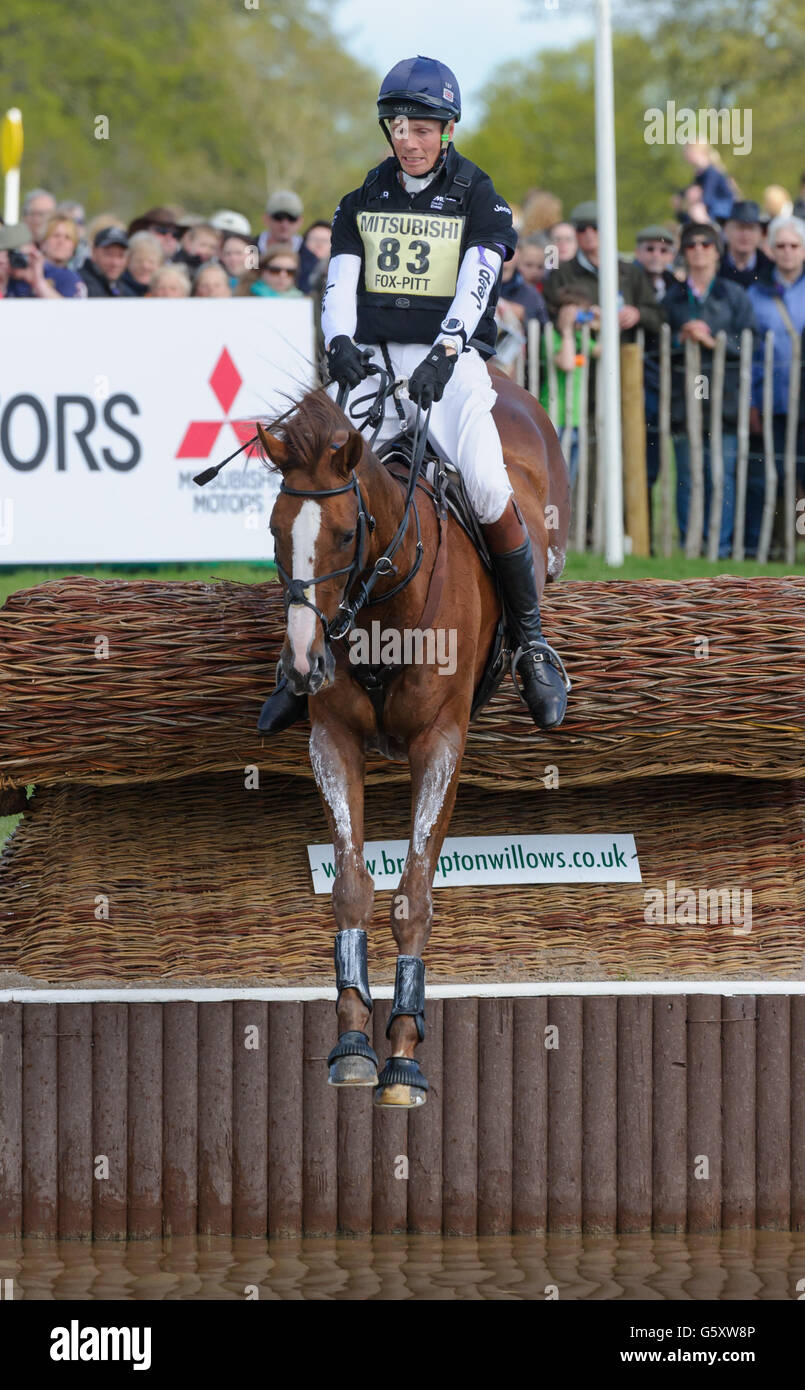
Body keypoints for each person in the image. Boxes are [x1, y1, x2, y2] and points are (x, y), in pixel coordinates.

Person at [258, 54, 569, 738]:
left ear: (447, 130)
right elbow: (340, 282)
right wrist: (338, 341)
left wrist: (449, 348)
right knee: (315, 493)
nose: (410, 138)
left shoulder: (478, 197)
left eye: (423, 127)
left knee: (487, 485)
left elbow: (478, 281)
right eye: (399, 125)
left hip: (447, 368)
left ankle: (531, 643)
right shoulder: (362, 198)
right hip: (372, 366)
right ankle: (298, 661)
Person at [664, 222, 755, 556]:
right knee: (688, 476)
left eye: (705, 244)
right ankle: (691, 545)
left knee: (721, 477)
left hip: (725, 402)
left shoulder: (734, 295)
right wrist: (679, 339)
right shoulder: (672, 297)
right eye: (691, 245)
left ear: (717, 251)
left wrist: (714, 341)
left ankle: (721, 545)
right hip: (682, 401)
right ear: (684, 252)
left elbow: (751, 344)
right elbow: (657, 348)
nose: (698, 250)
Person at [745, 215, 805, 556]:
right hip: (772, 399)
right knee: (776, 474)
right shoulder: (757, 293)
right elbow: (749, 354)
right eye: (780, 246)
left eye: (794, 246)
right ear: (770, 249)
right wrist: (752, 401)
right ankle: (780, 544)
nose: (787, 252)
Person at [542, 202, 664, 338]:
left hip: (624, 353)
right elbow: (548, 316)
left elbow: (657, 316)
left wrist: (638, 314)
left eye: (595, 227)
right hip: (580, 354)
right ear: (575, 233)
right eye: (582, 229)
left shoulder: (630, 272)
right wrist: (579, 316)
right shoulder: (561, 274)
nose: (589, 233)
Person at [633, 225, 677, 528]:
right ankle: (639, 530)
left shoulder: (678, 287)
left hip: (670, 379)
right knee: (639, 459)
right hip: (635, 381)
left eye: (663, 250)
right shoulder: (626, 280)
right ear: (639, 252)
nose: (656, 255)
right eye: (650, 249)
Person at [1, 221, 85, 298]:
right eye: (7, 254)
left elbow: (66, 311)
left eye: (16, 254)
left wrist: (37, 280)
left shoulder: (65, 277)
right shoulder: (7, 275)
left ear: (33, 249)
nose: (61, 242)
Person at [719, 201, 774, 289]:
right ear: (725, 230)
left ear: (761, 234)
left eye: (751, 228)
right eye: (739, 227)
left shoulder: (771, 270)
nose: (745, 235)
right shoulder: (713, 267)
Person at [681, 143, 734, 222]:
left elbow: (707, 197)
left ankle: (711, 231)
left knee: (697, 211)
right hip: (716, 209)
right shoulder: (700, 173)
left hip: (723, 211)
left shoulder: (711, 171)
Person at [80, 226, 136, 297]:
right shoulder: (79, 285)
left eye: (121, 255)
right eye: (109, 254)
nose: (115, 263)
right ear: (93, 252)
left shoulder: (124, 289)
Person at [120, 231, 165, 295]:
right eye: (139, 261)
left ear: (160, 264)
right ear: (127, 262)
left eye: (151, 261)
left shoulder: (169, 292)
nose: (145, 266)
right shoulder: (117, 291)